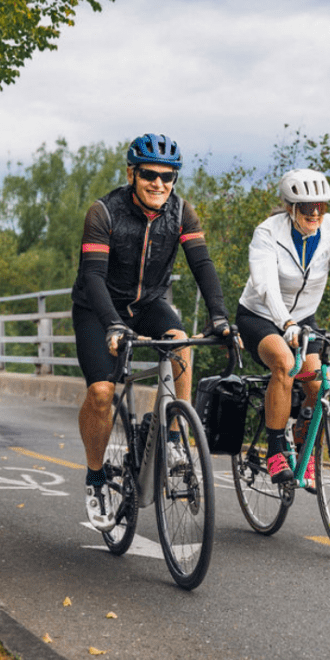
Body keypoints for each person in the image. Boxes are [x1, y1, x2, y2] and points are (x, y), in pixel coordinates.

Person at [72, 133, 231, 530]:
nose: (159, 183)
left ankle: (175, 436)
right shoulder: (103, 212)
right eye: (149, 174)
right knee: (101, 392)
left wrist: (220, 317)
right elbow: (92, 276)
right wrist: (112, 324)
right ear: (132, 173)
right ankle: (95, 478)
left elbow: (203, 265)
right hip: (98, 307)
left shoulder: (182, 213)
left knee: (180, 342)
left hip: (147, 304)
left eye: (168, 176)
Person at [236, 168, 330, 490]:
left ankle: (303, 451)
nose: (315, 213)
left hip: (303, 319)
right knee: (285, 366)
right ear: (290, 208)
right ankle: (275, 451)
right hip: (260, 315)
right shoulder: (267, 233)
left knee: (317, 386)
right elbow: (266, 286)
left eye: (320, 206)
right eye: (306, 207)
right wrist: (285, 323)